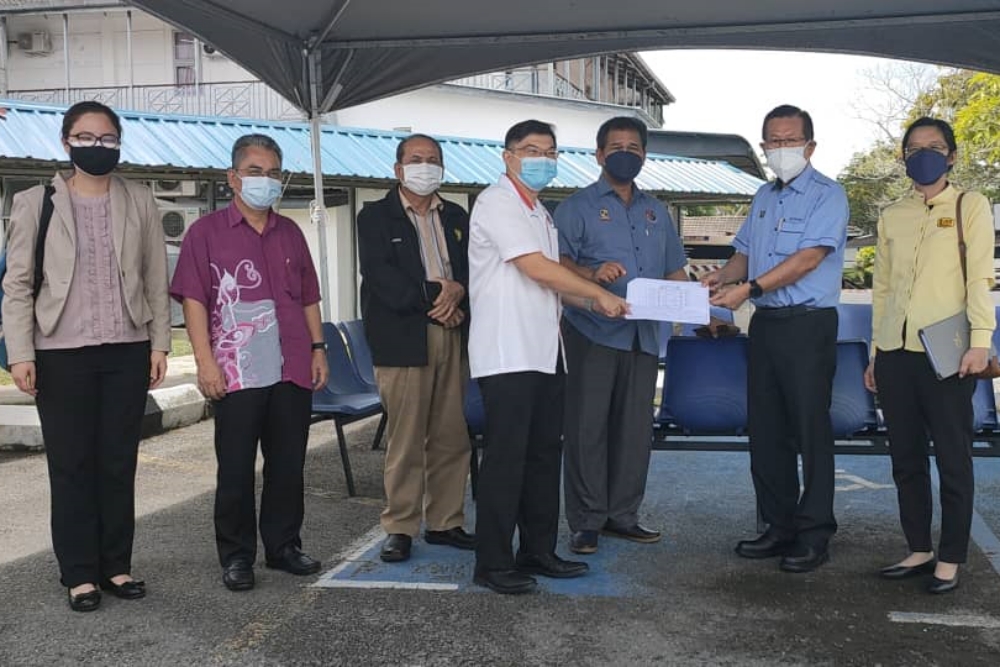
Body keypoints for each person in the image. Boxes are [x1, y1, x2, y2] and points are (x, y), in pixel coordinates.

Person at [3, 100, 171, 611]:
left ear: (119, 142)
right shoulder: (36, 202)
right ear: (66, 142)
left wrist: (159, 342)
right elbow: (17, 284)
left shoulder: (139, 199)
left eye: (107, 138)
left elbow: (155, 276)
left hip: (127, 349)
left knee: (118, 462)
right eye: (86, 137)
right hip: (60, 354)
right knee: (71, 464)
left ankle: (116, 565)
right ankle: (79, 573)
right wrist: (20, 353)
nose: (97, 147)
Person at [468, 119, 629, 594]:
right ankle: (493, 562)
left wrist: (595, 303)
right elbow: (536, 268)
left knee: (542, 456)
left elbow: (555, 284)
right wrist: (597, 294)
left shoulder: (539, 212)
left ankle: (537, 550)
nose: (543, 160)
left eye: (551, 152)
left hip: (545, 351)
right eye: (532, 150)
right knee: (506, 460)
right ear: (509, 157)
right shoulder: (497, 202)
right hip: (508, 353)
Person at [170, 133, 329, 592]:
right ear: (234, 178)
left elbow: (308, 297)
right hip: (236, 370)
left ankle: (284, 546)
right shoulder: (206, 233)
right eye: (255, 171)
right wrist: (204, 362)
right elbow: (194, 300)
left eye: (273, 172)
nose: (265, 180)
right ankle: (237, 555)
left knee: (288, 465)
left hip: (292, 366)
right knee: (236, 468)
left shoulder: (291, 233)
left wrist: (319, 349)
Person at [702, 104, 848, 573]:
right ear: (764, 146)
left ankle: (814, 532)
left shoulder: (828, 195)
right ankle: (778, 526)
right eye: (774, 141)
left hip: (808, 324)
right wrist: (719, 278)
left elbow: (808, 259)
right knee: (766, 431)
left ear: (810, 146)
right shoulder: (763, 196)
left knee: (809, 430)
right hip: (766, 325)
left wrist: (749, 289)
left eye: (790, 140)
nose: (781, 149)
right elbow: (744, 255)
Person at [865, 117, 994, 594]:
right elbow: (882, 289)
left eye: (935, 147)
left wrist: (981, 340)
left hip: (947, 355)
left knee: (953, 459)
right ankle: (918, 548)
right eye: (914, 148)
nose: (924, 155)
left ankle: (951, 557)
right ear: (903, 158)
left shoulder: (969, 205)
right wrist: (876, 353)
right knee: (906, 458)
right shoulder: (892, 214)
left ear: (952, 156)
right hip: (895, 353)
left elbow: (979, 277)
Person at [554, 116, 688, 555]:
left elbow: (674, 270)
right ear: (599, 155)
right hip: (592, 332)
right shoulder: (575, 208)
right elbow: (556, 265)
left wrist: (698, 308)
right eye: (616, 148)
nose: (625, 155)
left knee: (634, 431)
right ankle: (587, 521)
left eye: (634, 148)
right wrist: (592, 273)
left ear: (644, 155)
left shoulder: (657, 211)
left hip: (643, 337)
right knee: (587, 428)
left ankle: (623, 515)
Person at [357, 134, 474, 563]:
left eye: (433, 159)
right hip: (403, 337)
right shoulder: (375, 217)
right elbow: (382, 278)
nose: (425, 166)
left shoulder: (457, 215)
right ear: (398, 169)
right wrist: (440, 297)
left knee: (451, 435)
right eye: (416, 159)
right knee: (406, 439)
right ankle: (401, 526)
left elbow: (471, 272)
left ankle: (445, 521)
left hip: (452, 333)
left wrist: (459, 296)